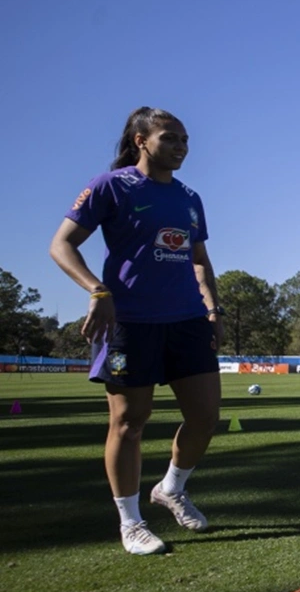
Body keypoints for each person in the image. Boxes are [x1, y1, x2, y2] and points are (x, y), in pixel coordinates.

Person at [48, 107, 223, 556]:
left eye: (185, 139)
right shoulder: (112, 186)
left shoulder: (189, 197)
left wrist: (211, 306)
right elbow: (61, 244)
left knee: (205, 417)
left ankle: (171, 488)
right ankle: (131, 522)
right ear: (141, 140)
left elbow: (199, 259)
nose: (181, 146)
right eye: (170, 138)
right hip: (130, 322)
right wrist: (97, 291)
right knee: (129, 422)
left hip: (186, 320)